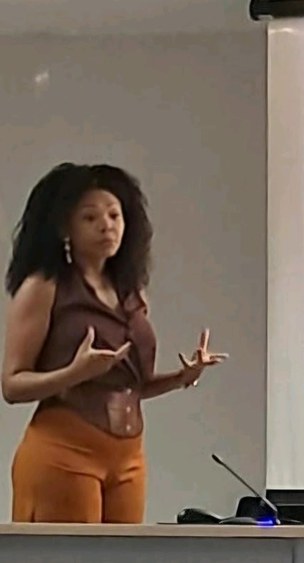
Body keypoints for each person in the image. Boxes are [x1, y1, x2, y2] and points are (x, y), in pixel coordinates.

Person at [1, 163, 228, 523]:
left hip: (129, 457)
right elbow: (12, 385)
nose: (107, 225)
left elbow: (130, 386)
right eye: (90, 217)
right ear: (65, 228)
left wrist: (183, 376)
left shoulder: (132, 294)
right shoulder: (43, 286)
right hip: (64, 452)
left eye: (114, 214)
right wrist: (73, 373)